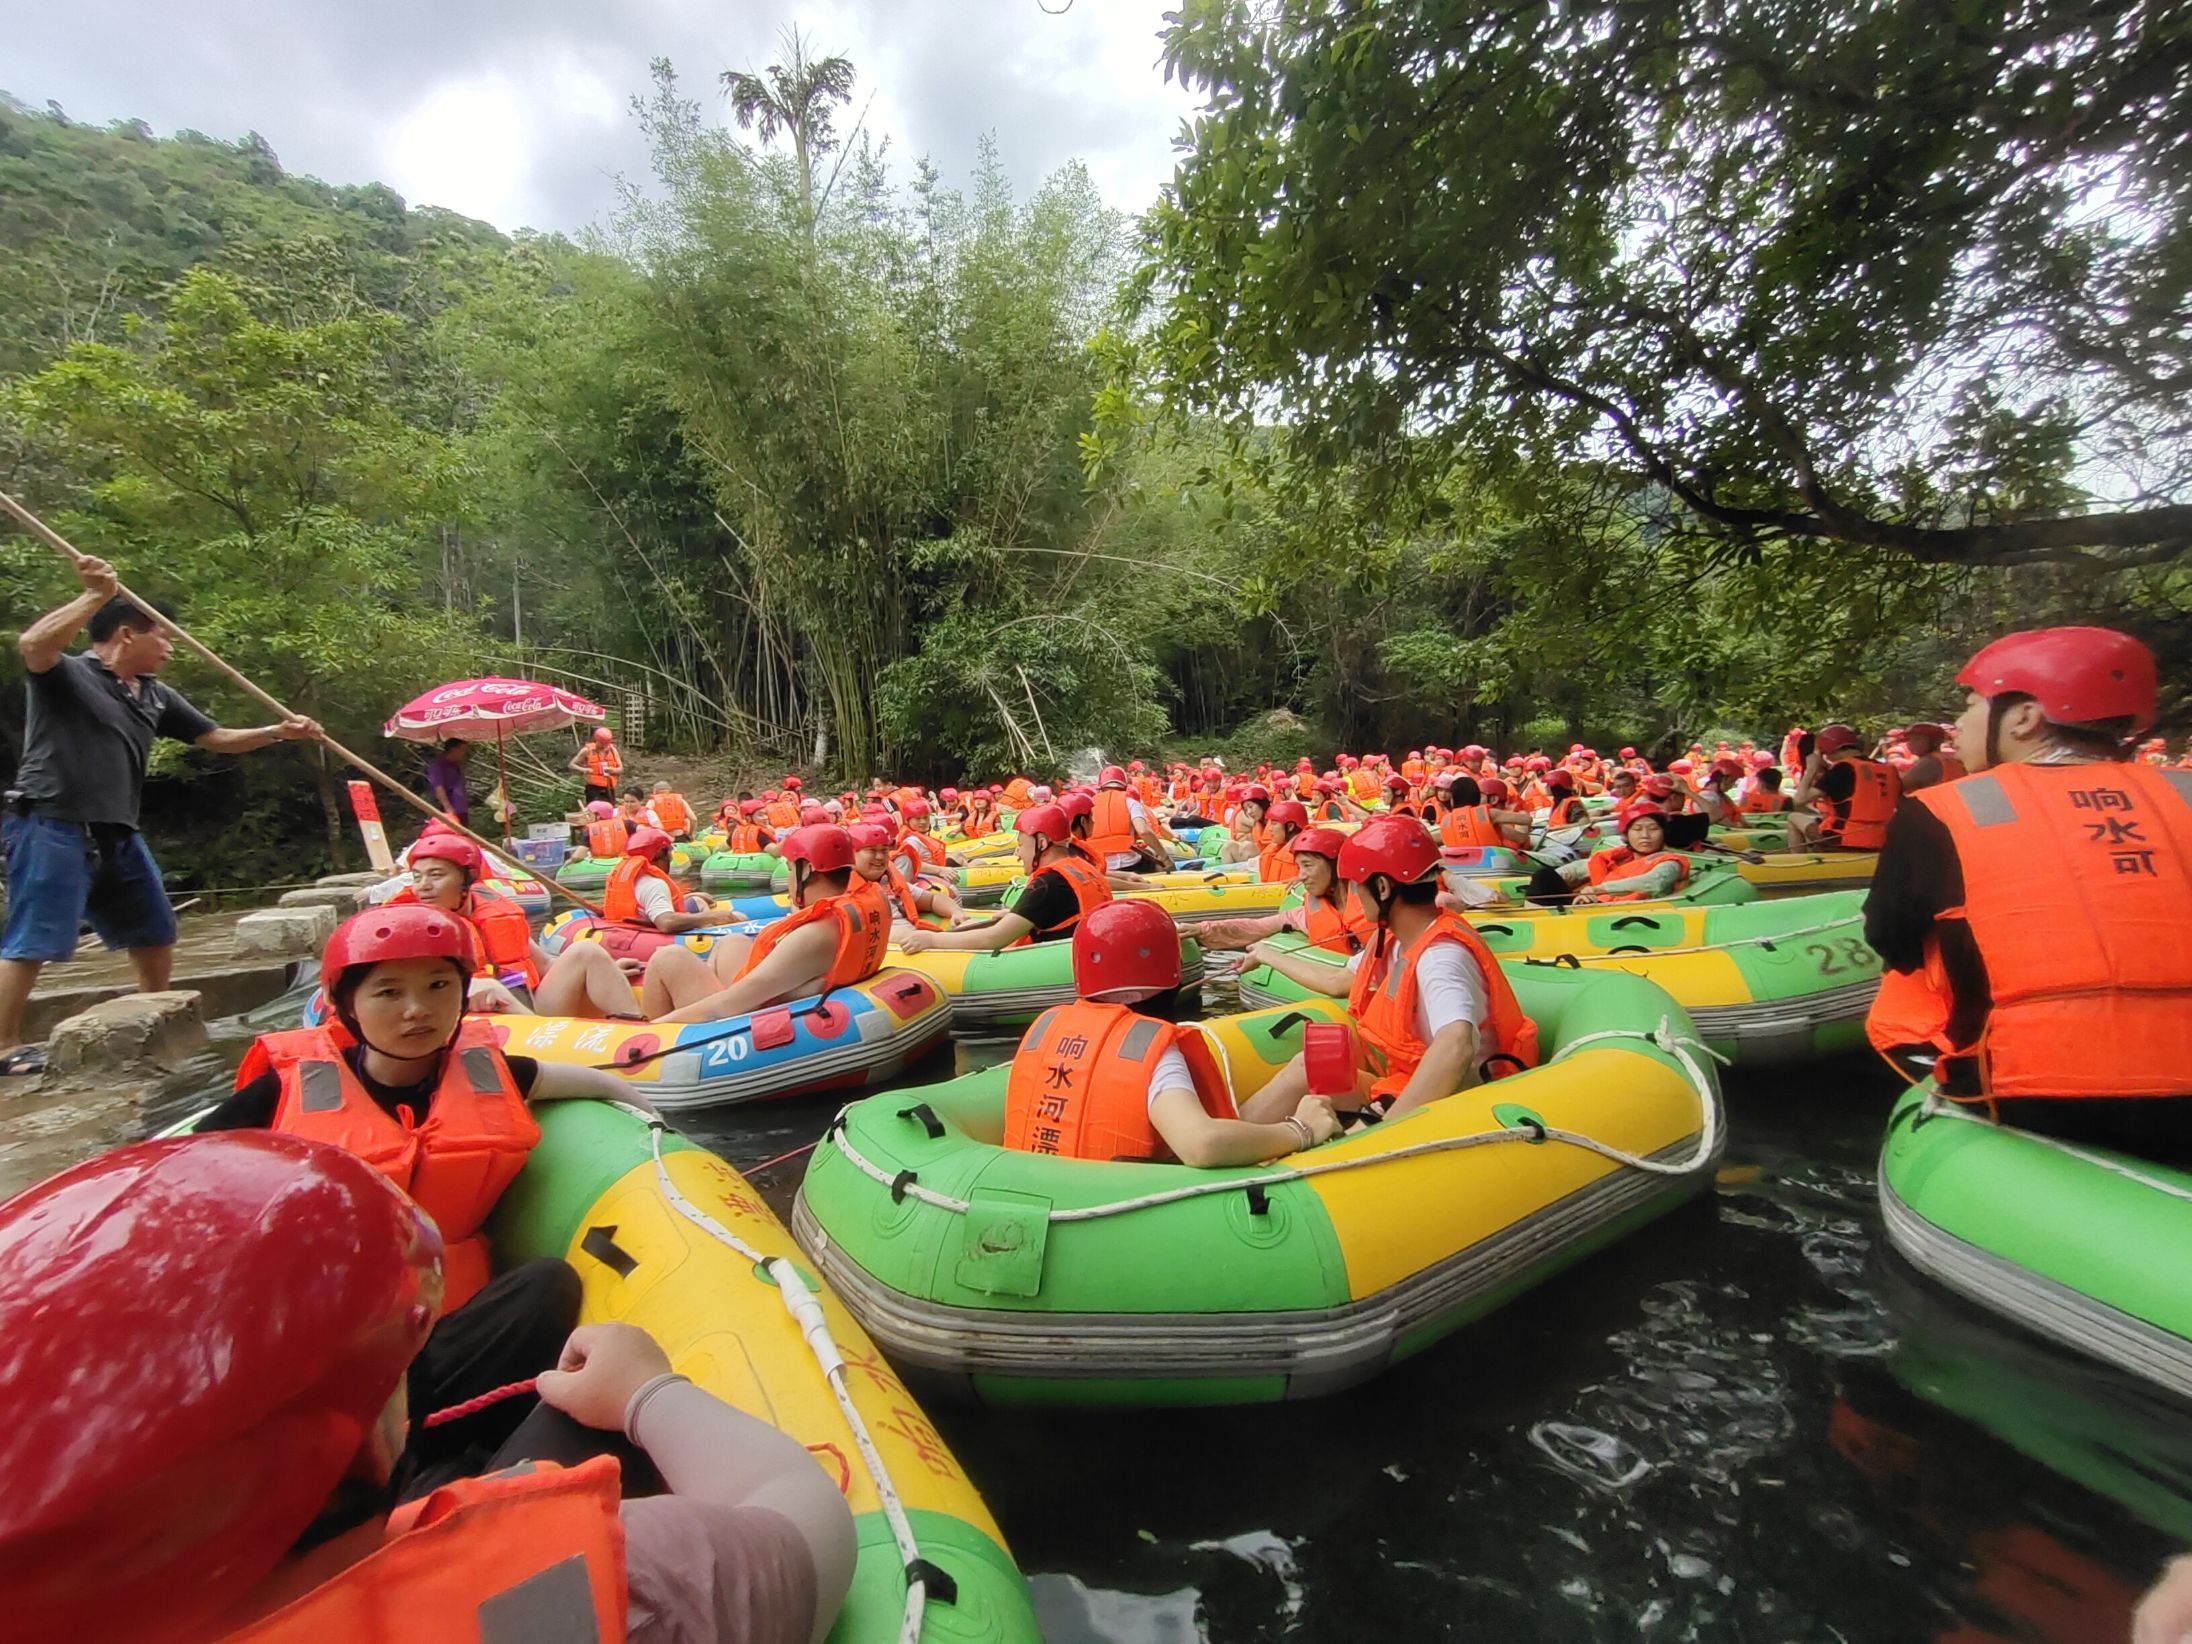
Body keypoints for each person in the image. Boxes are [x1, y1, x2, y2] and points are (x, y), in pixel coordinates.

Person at [0, 1129, 856, 1644]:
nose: (415, 1008)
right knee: (576, 1413)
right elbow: (807, 1520)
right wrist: (647, 1394)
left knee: (543, 1293)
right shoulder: (633, 1585)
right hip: (429, 1559)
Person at [192, 906, 644, 1489]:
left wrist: (654, 1127)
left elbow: (598, 1083)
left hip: (447, 1331)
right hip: (338, 1344)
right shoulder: (280, 1094)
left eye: (439, 986)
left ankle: (451, 1463)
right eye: (388, 992)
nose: (417, 1009)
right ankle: (419, 1469)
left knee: (546, 1285)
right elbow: (188, 1182)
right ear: (347, 1005)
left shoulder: (492, 1074)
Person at [1864, 627, 2192, 1160]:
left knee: (1908, 972)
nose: (1960, 726)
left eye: (1970, 706)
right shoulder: (2184, 791)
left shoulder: (1941, 810)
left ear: (2024, 717)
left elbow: (1891, 939)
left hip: (2034, 1092)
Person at [1, 565, 320, 1076]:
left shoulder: (153, 694)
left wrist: (279, 731)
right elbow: (34, 645)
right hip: (51, 821)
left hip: (117, 828)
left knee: (154, 929)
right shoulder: (71, 675)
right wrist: (94, 596)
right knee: (32, 939)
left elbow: (216, 738)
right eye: (163, 636)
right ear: (127, 633)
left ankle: (156, 1015)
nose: (171, 648)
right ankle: (6, 1045)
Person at [1240, 815, 1539, 1124]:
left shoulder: (1440, 957)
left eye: (1356, 886)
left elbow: (1456, 1044)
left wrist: (1387, 1128)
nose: (1354, 896)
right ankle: (1233, 1137)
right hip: (1405, 1080)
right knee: (1307, 1066)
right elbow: (1337, 981)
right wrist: (1266, 954)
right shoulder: (1397, 940)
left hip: (1455, 1102)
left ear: (1382, 887)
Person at [996, 900, 1340, 1165]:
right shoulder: (1149, 1048)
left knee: (1300, 1069)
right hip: (1127, 1207)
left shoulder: (1047, 1027)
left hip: (1054, 1180)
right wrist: (1299, 1130)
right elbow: (1201, 1144)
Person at [639, 825, 887, 1023]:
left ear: (807, 870)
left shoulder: (817, 934)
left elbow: (726, 1006)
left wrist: (647, 1033)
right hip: (793, 991)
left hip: (750, 1015)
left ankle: (649, 1037)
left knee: (667, 959)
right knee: (731, 942)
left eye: (790, 869)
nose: (789, 879)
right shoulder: (875, 900)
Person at [899, 803, 1112, 954]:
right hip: (1090, 950)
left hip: (1063, 959)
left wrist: (932, 939)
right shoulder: (1082, 865)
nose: (1018, 853)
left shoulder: (1047, 884)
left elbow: (993, 939)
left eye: (1021, 845)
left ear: (1041, 843)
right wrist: (1014, 914)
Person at [1199, 825, 1376, 955]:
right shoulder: (1306, 913)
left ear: (1337, 865)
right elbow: (1258, 926)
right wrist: (1201, 929)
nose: (1302, 876)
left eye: (1308, 866)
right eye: (1299, 867)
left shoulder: (1377, 905)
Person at [1525, 803, 1692, 906]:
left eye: (1653, 829)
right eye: (1637, 829)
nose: (1645, 836)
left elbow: (1655, 882)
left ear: (1664, 833)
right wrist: (1556, 878)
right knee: (1544, 877)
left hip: (1623, 911)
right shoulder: (1620, 856)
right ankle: (1529, 915)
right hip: (1596, 903)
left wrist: (1599, 889)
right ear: (1627, 834)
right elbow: (1580, 868)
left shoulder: (1670, 862)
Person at [1790, 723, 1901, 852]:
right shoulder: (1889, 770)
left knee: (1793, 817)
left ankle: (1798, 860)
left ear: (1827, 749)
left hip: (1844, 839)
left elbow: (1798, 800)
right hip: (1883, 839)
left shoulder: (1842, 769)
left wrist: (1810, 770)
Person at [1085, 765, 1172, 873]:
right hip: (1130, 863)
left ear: (1100, 787)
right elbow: (1143, 831)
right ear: (1125, 786)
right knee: (1160, 865)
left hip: (1100, 866)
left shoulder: (1088, 806)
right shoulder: (1130, 802)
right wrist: (1165, 857)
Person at [1897, 722, 1966, 793]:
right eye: (1909, 739)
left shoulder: (1929, 761)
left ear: (1934, 741)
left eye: (1917, 739)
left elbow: (1899, 787)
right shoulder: (1947, 758)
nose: (1911, 743)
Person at [569, 725, 622, 809]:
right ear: (596, 740)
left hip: (609, 786)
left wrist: (613, 770)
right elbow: (572, 765)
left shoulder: (612, 750)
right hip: (594, 788)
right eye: (602, 743)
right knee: (595, 811)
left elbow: (620, 769)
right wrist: (584, 769)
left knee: (609, 810)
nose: (604, 746)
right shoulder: (586, 750)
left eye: (606, 743)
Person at [1258, 799, 1310, 881]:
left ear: (1290, 826)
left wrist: (1301, 880)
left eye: (1274, 824)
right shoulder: (1277, 848)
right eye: (1270, 824)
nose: (1269, 829)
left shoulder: (1308, 852)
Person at [425, 738, 472, 830]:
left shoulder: (455, 765)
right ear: (453, 749)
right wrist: (448, 807)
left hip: (461, 807)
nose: (464, 753)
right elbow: (438, 787)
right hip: (448, 809)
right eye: (462, 749)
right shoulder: (438, 766)